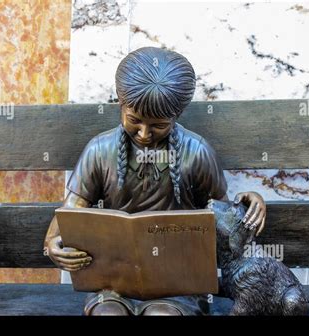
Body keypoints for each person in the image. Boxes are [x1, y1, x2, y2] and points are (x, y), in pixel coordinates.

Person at [44, 46, 266, 315]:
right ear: (119, 103)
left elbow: (219, 216)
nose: (144, 134)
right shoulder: (99, 150)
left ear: (177, 116)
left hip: (178, 282)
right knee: (108, 313)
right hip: (114, 280)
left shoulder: (196, 152)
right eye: (134, 120)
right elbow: (73, 208)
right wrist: (53, 242)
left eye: (158, 125)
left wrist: (247, 203)